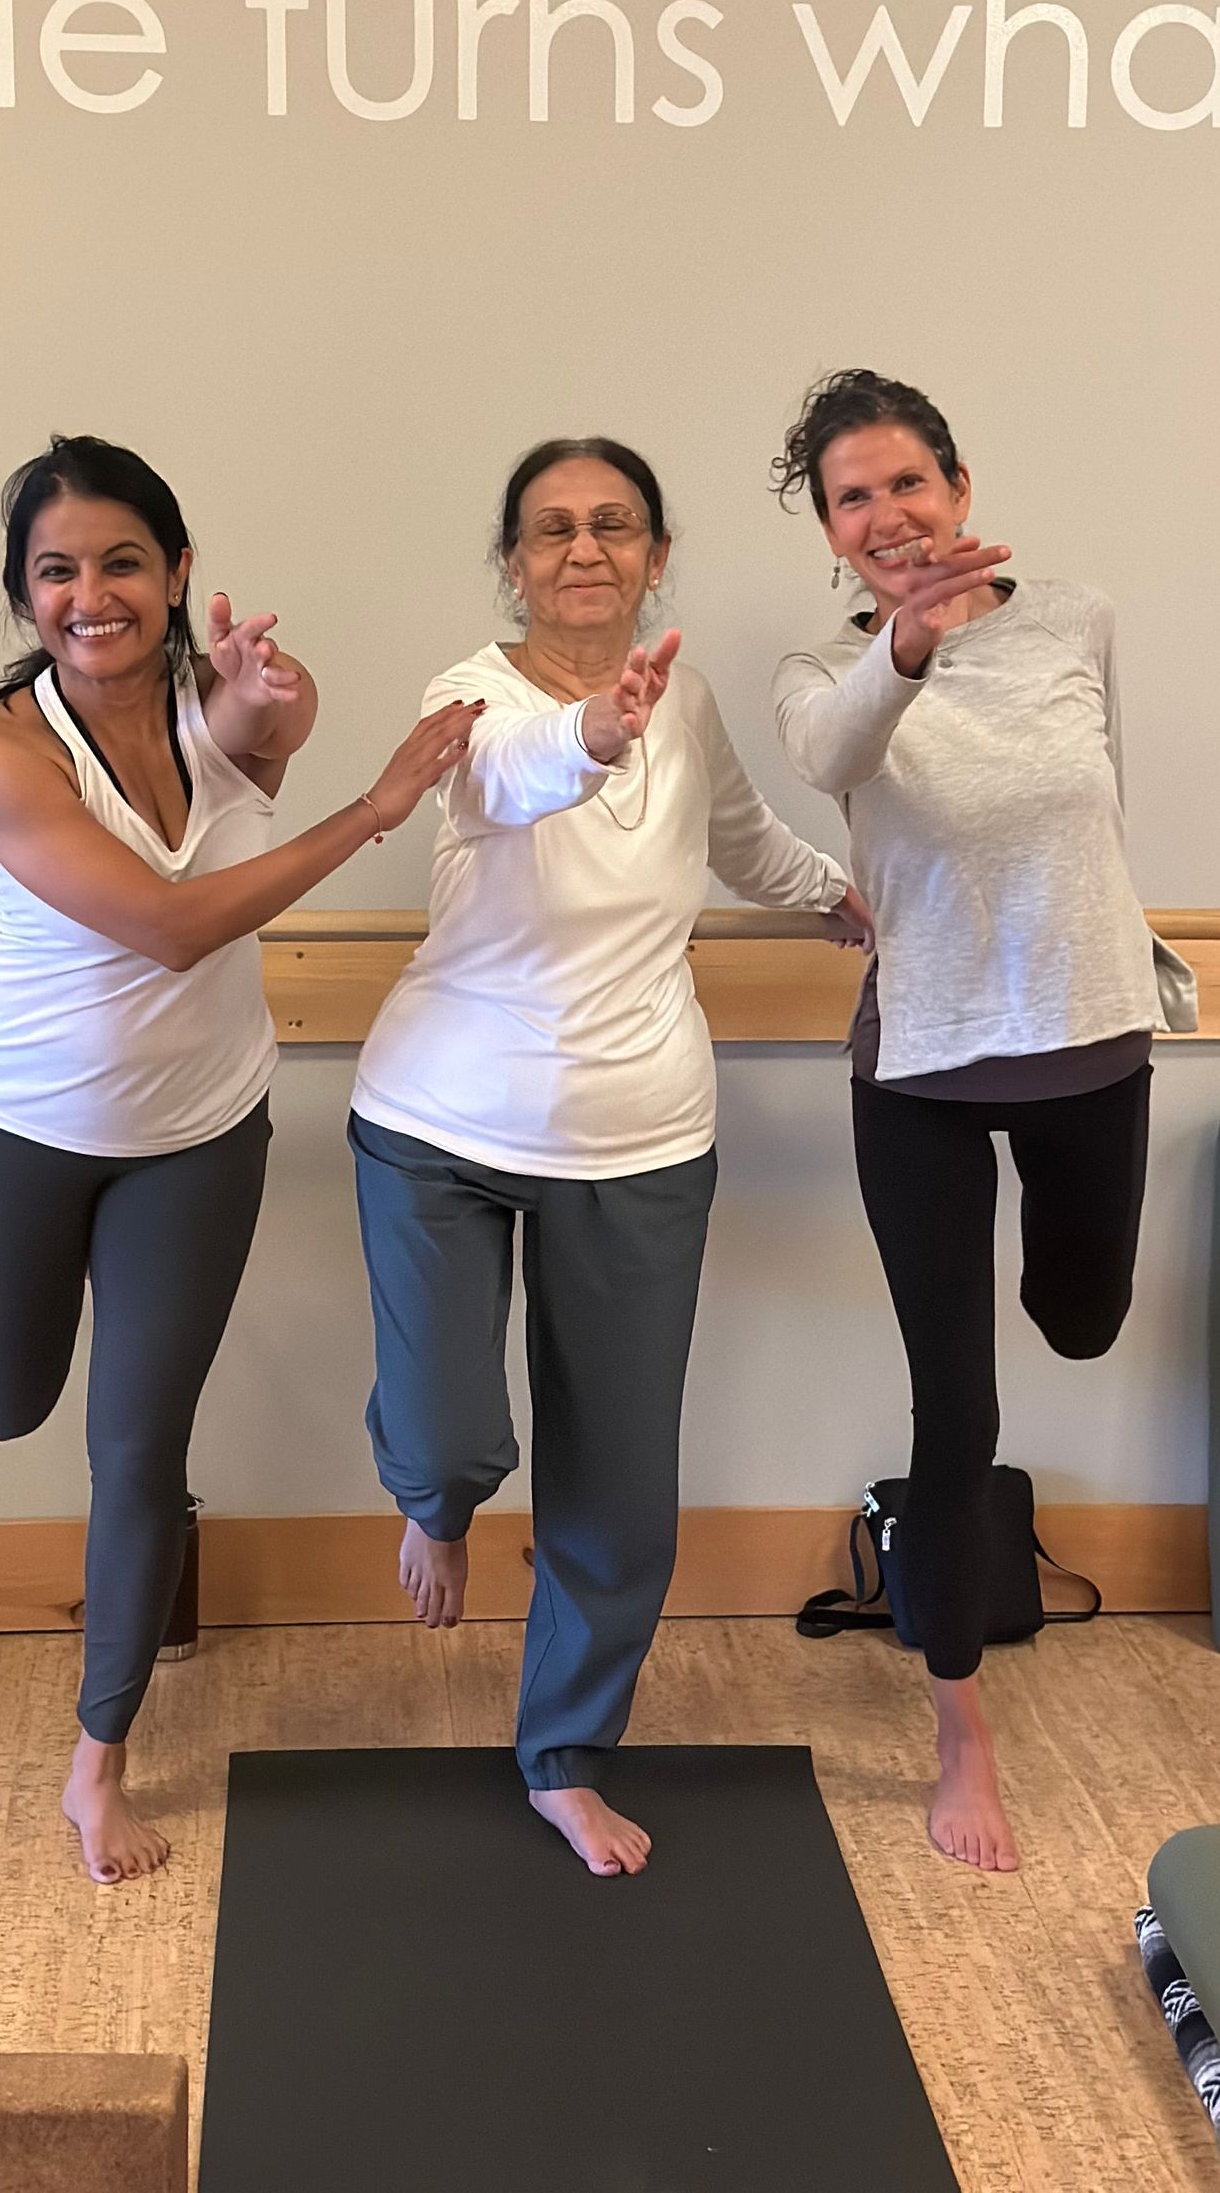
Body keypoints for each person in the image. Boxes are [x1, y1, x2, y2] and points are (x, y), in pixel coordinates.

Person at [0, 433, 476, 1884]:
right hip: (19, 1126)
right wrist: (371, 805)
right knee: (3, 1402)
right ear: (26, 596)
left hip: (198, 1134)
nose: (91, 593)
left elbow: (244, 760)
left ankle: (96, 1760)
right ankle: (96, 1706)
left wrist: (267, 712)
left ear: (177, 574)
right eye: (58, 571)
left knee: (138, 1451)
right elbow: (174, 923)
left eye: (123, 561)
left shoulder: (195, 694)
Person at [348, 436, 872, 1876]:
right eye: (553, 529)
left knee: (621, 1488)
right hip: (441, 1125)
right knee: (453, 1431)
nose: (585, 549)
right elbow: (511, 780)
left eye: (615, 526)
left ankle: (564, 1753)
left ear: (653, 554)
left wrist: (842, 895)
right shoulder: (469, 701)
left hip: (643, 1136)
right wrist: (590, 735)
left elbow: (744, 840)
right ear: (514, 563)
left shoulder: (689, 699)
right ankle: (437, 1496)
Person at [769, 370, 1195, 1876]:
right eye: (852, 498)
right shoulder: (822, 674)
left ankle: (1061, 1271)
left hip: (1090, 1042)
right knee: (957, 1409)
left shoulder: (1076, 616)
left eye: (905, 484)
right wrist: (912, 644)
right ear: (830, 531)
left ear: (957, 486)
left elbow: (1105, 805)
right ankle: (962, 1727)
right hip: (927, 1070)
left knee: (1079, 1321)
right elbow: (834, 765)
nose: (887, 516)